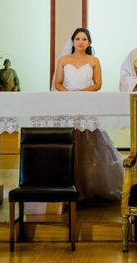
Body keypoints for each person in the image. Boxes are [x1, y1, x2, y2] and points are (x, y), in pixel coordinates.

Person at [54, 28, 123, 201]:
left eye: (84, 39)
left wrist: (82, 94)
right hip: (69, 105)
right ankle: (67, 184)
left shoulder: (94, 61)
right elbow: (58, 83)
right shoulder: (63, 60)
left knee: (92, 143)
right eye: (77, 38)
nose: (80, 41)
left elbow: (98, 83)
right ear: (72, 41)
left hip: (87, 104)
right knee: (71, 141)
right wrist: (70, 95)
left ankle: (92, 185)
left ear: (89, 43)